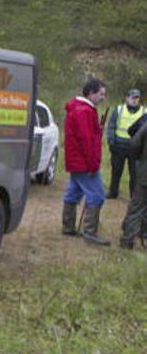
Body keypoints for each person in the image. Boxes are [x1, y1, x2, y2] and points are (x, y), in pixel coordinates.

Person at [61, 78, 111, 246]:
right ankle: (90, 233)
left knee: (73, 193)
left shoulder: (79, 108)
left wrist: (98, 130)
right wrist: (93, 164)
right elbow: (85, 140)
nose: (103, 97)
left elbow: (87, 134)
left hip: (76, 162)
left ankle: (68, 227)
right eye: (101, 94)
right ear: (91, 93)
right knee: (97, 196)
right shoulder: (85, 111)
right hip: (83, 163)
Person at [104, 88, 143, 198]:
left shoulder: (144, 112)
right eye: (132, 97)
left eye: (137, 98)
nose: (135, 100)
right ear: (127, 98)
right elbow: (111, 126)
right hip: (118, 146)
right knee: (116, 171)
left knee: (134, 173)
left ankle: (133, 196)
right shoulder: (119, 110)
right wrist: (111, 142)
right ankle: (113, 192)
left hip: (135, 148)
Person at [120, 113, 147, 248]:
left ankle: (127, 239)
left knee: (137, 206)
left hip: (144, 171)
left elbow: (134, 143)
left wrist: (140, 159)